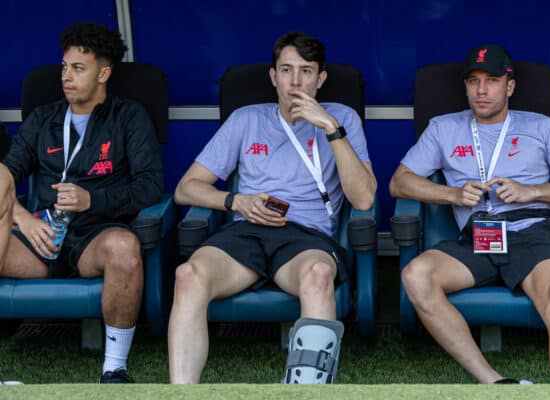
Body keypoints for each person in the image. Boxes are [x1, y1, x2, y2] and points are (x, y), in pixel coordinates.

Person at [169, 31, 377, 384]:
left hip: (306, 237)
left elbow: (364, 199)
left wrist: (330, 128)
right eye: (286, 70)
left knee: (318, 276)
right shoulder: (246, 119)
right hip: (245, 231)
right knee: (188, 275)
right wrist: (236, 200)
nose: (295, 81)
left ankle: (307, 389)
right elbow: (185, 189)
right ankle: (181, 391)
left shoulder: (342, 119)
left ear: (321, 78)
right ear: (273, 76)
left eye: (306, 71)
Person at [389, 44, 550, 384]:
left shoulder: (540, 127)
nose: (482, 91)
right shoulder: (443, 128)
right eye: (473, 81)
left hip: (532, 233)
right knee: (417, 275)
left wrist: (532, 191)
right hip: (477, 237)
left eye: (491, 81)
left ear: (510, 86)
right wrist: (452, 194)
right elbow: (399, 182)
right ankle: (494, 382)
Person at [0, 22, 163, 383]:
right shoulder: (44, 118)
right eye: (63, 67)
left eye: (78, 68)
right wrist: (24, 219)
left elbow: (151, 187)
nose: (66, 77)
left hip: (96, 234)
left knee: (124, 247)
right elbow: (5, 175)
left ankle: (114, 368)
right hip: (40, 237)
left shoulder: (129, 117)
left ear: (103, 73)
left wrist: (93, 199)